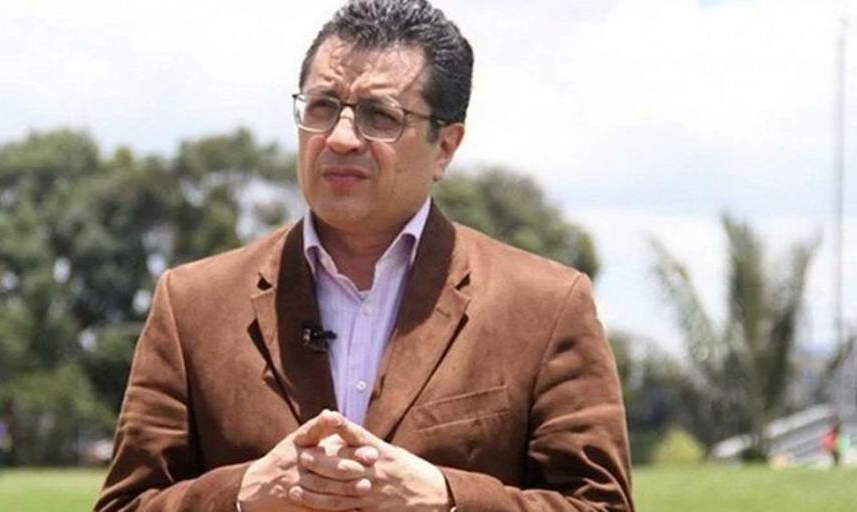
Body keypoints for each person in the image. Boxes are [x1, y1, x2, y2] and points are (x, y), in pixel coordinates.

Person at [95, 1, 633, 510]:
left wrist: (447, 498)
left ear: (445, 147)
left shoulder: (545, 305)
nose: (341, 138)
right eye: (322, 107)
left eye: (380, 116)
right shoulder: (193, 304)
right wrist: (242, 494)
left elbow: (600, 505)